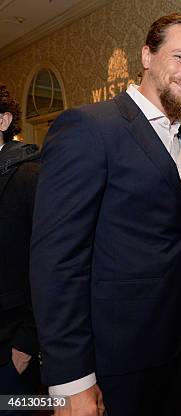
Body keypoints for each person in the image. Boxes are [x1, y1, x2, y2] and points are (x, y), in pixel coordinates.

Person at [29, 13, 181, 416]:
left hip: (177, 340)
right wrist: (72, 380)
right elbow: (56, 262)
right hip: (118, 356)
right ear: (146, 56)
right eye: (180, 57)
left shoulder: (180, 139)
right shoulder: (89, 128)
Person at [0, 85, 40, 415]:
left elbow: (49, 265)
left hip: (10, 349)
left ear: (4, 121)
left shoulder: (29, 175)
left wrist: (27, 341)